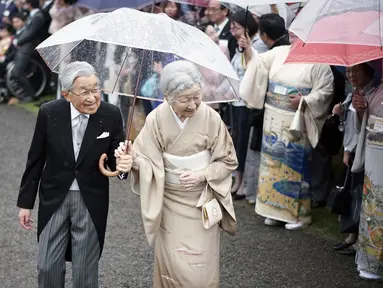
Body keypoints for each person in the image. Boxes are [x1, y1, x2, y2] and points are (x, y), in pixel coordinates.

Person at [115, 60, 237, 288]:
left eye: (197, 97)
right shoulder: (156, 119)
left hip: (201, 200)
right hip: (170, 200)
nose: (193, 104)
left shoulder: (211, 118)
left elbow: (228, 160)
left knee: (201, 265)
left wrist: (202, 174)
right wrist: (131, 160)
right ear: (168, 97)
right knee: (174, 260)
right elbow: (146, 161)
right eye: (185, 99)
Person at [16, 61, 132, 288]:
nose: (92, 98)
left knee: (85, 270)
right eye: (85, 92)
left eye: (96, 89)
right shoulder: (49, 112)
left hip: (91, 198)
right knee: (47, 265)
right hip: (54, 197)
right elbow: (35, 159)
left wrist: (124, 164)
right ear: (66, 94)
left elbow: (115, 158)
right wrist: (26, 203)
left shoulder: (110, 114)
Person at [240, 13, 334, 230]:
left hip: (296, 118)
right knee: (271, 164)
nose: (294, 38)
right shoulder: (280, 52)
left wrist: (306, 99)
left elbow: (326, 90)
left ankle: (299, 215)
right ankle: (273, 210)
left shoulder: (319, 62)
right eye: (293, 34)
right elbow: (258, 63)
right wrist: (247, 48)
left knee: (294, 165)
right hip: (273, 116)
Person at [332, 63, 376, 256]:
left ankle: (358, 238)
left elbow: (363, 127)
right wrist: (341, 113)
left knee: (360, 193)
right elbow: (348, 127)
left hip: (366, 152)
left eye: (355, 71)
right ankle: (352, 235)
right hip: (352, 150)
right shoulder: (353, 94)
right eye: (348, 71)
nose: (350, 75)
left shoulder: (371, 94)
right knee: (352, 192)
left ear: (367, 72)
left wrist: (360, 112)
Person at [353, 76, 383, 282]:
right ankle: (370, 261)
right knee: (373, 202)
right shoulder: (376, 88)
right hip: (374, 155)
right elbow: (365, 122)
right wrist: (362, 109)